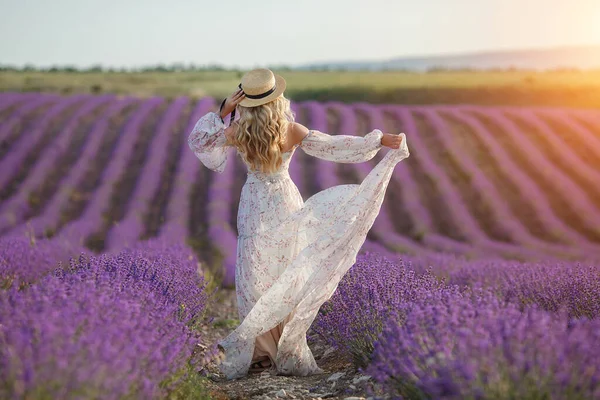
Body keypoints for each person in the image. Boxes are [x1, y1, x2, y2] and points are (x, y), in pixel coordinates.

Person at [188, 68, 409, 380]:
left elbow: (199, 142)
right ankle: (283, 348)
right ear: (277, 100)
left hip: (254, 204)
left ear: (246, 103)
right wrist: (379, 140)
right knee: (287, 270)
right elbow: (334, 146)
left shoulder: (237, 131)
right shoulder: (290, 130)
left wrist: (223, 112)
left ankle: (260, 352)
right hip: (284, 200)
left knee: (254, 274)